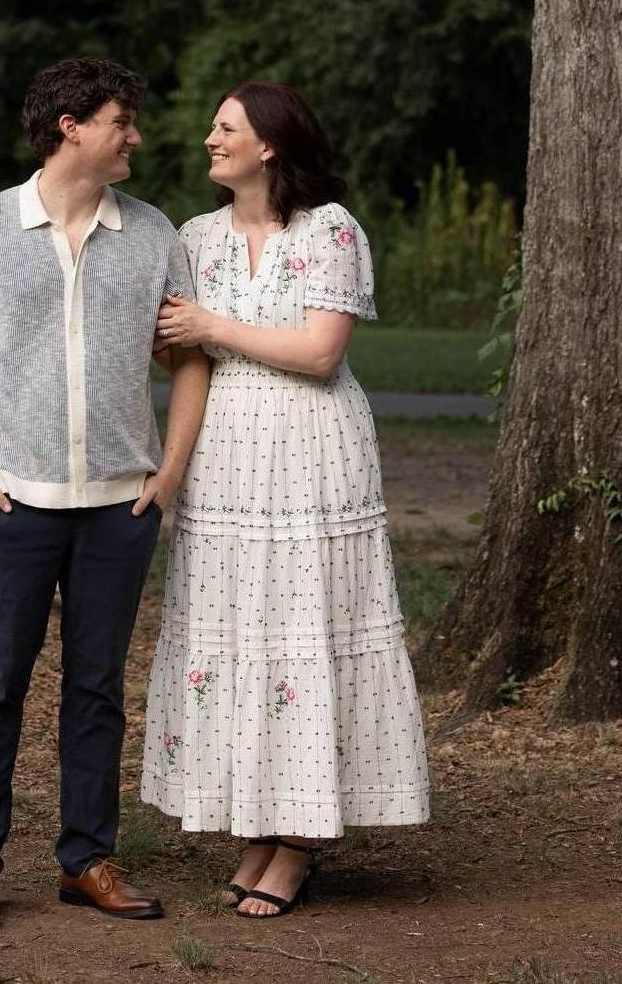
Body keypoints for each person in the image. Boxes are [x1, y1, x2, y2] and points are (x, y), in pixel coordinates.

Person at [0, 57, 209, 932]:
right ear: (71, 126)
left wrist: (168, 474)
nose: (135, 137)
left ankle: (87, 859)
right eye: (122, 121)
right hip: (10, 504)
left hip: (120, 507)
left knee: (97, 688)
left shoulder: (152, 235)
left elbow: (190, 359)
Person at [140, 81, 429, 918]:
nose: (209, 138)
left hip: (311, 451)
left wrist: (211, 327)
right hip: (225, 456)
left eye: (225, 127)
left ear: (268, 144)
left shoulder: (329, 229)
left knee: (307, 626)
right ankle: (259, 824)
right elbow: (183, 355)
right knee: (240, 627)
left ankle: (299, 842)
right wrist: (171, 341)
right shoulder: (195, 238)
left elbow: (320, 351)